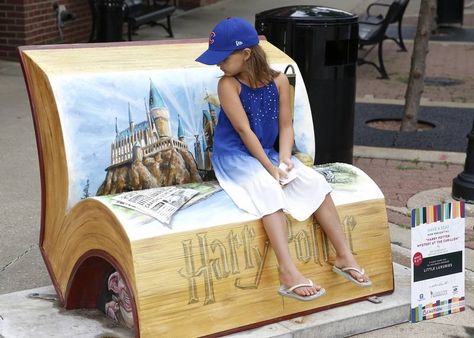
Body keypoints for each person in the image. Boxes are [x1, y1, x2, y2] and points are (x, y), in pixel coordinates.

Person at [196, 17, 371, 302]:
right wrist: (270, 169)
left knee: (314, 182)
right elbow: (243, 131)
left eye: (223, 58)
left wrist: (286, 161)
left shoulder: (279, 81)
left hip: (270, 152)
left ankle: (344, 255)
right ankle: (288, 272)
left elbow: (286, 126)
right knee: (268, 188)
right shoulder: (228, 85)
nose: (218, 64)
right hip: (235, 157)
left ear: (246, 54)